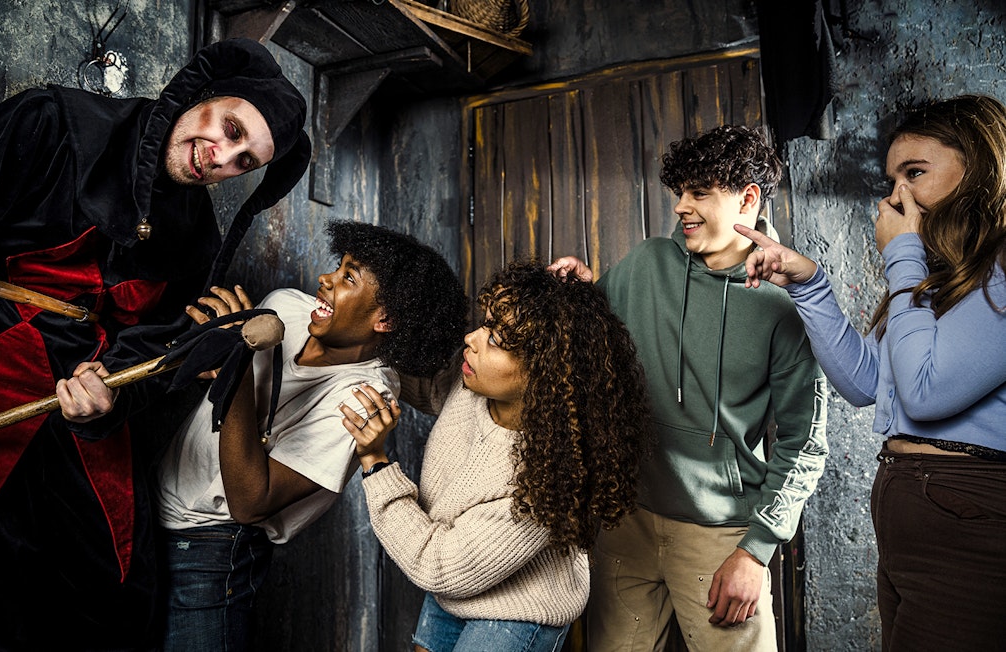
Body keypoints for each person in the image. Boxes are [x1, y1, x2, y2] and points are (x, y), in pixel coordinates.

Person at [0, 38, 311, 650]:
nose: (222, 157)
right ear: (201, 97)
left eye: (244, 161)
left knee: (117, 580)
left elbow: (144, 359)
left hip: (77, 403)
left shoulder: (195, 231)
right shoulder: (51, 124)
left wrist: (106, 407)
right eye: (230, 128)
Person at [735, 94, 1006, 651]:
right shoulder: (941, 277)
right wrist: (809, 285)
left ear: (977, 167)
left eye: (915, 173)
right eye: (892, 179)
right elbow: (868, 383)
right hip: (913, 513)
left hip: (968, 517)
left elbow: (928, 393)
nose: (896, 196)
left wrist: (902, 254)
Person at [550, 124, 829, 651]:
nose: (682, 206)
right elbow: (599, 338)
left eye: (700, 192)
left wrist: (755, 552)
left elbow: (804, 442)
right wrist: (584, 293)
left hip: (721, 536)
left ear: (748, 199)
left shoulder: (783, 306)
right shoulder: (644, 264)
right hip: (623, 522)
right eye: (680, 192)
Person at [154, 219, 468, 651]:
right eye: (338, 266)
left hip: (211, 553)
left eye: (348, 278)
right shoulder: (284, 307)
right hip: (153, 509)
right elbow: (214, 398)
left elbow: (250, 502)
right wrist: (208, 348)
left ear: (386, 318)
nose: (326, 279)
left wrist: (236, 365)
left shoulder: (364, 397)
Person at [341, 260, 649, 652]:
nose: (472, 337)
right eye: (486, 323)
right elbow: (427, 386)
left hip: (516, 612)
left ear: (545, 373)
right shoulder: (472, 382)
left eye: (497, 340)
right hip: (455, 589)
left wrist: (374, 461)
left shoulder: (549, 475)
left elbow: (438, 564)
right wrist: (361, 339)